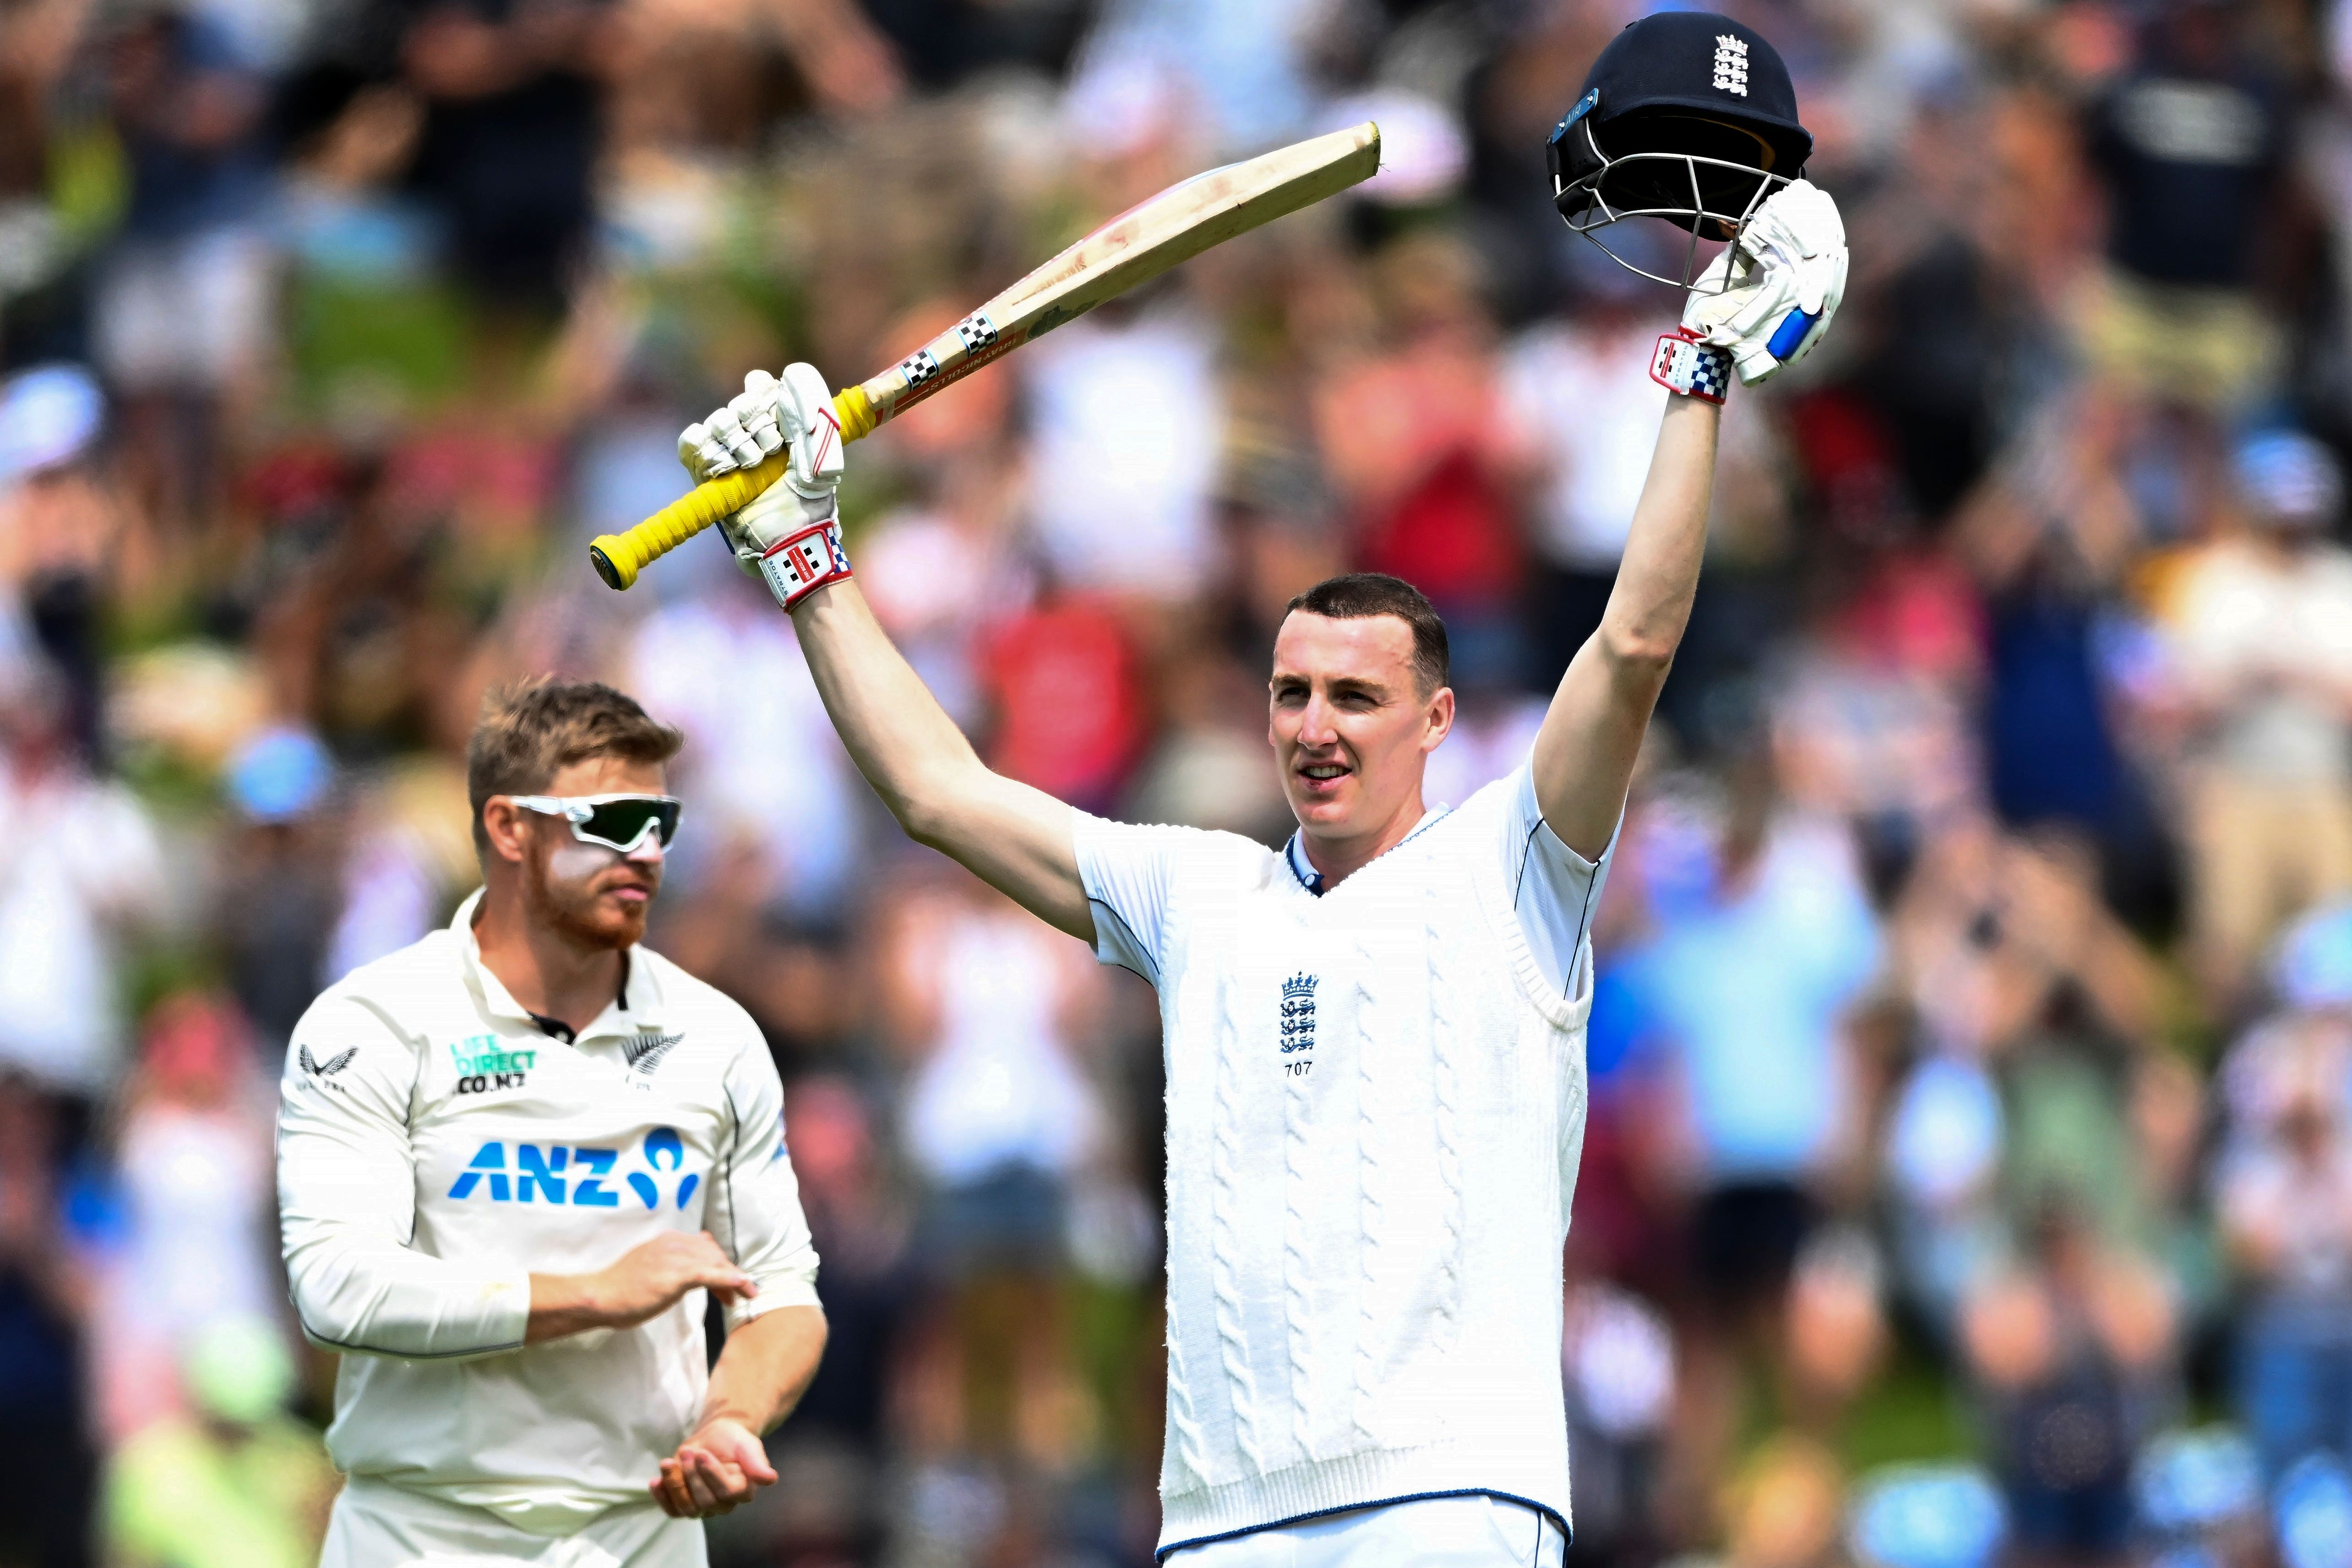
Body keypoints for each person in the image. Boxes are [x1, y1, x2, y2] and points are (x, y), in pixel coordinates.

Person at [672, 153, 1842, 1560]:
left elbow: (1636, 642)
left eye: (1355, 697)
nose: (1315, 728)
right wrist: (804, 556)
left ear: (1437, 720)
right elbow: (938, 792)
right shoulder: (1198, 893)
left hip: (1449, 1498)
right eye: (1292, 695)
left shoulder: (1514, 863)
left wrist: (1698, 372)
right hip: (1227, 1518)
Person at [274, 677, 828, 1564]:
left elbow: (782, 1293)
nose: (645, 852)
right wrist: (593, 1294)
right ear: (509, 827)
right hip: (423, 1531)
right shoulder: (371, 1021)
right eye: (611, 822)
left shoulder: (716, 1035)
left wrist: (731, 1417)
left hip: (640, 1534)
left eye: (661, 823)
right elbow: (339, 1287)